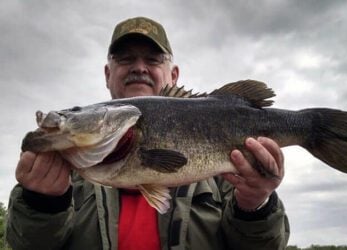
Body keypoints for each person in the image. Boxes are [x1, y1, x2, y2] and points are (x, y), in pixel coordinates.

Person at [6, 17, 290, 250]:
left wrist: (256, 204)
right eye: (126, 59)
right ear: (108, 74)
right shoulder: (63, 168)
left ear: (174, 75)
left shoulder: (228, 175)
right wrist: (42, 203)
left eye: (153, 60)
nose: (139, 68)